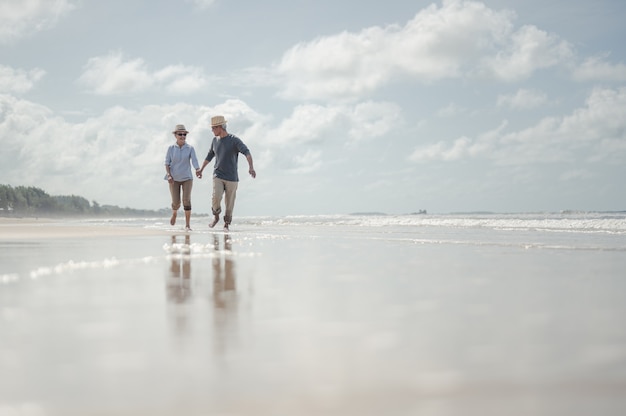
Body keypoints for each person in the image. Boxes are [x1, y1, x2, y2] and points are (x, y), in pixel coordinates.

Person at [199, 115, 256, 231]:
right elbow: (210, 155)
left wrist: (251, 167)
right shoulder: (214, 141)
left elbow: (246, 152)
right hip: (218, 175)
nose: (212, 130)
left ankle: (226, 224)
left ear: (220, 127)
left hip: (232, 177)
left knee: (229, 203)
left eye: (213, 128)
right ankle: (216, 217)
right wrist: (201, 169)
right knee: (216, 197)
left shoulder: (234, 140)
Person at [165, 124, 201, 231]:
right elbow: (167, 163)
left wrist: (197, 169)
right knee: (176, 202)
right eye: (180, 134)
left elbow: (194, 160)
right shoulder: (171, 148)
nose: (182, 136)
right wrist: (168, 175)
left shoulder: (190, 148)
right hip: (173, 178)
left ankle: (187, 225)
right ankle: (174, 213)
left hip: (187, 178)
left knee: (186, 200)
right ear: (175, 135)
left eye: (184, 134)